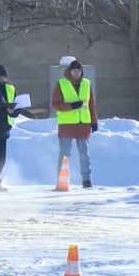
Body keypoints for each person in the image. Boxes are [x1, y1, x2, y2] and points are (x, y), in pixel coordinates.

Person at [51, 59, 98, 188]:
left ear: (81, 72)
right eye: (74, 70)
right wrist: (71, 106)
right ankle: (62, 180)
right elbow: (55, 104)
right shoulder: (61, 83)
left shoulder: (86, 84)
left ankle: (87, 180)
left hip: (84, 124)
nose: (76, 73)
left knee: (84, 154)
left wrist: (94, 122)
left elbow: (91, 104)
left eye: (78, 71)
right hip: (66, 124)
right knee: (65, 153)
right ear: (69, 71)